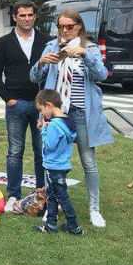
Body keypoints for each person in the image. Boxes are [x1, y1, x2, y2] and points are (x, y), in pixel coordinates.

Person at [30, 9, 111, 229]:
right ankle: (52, 208)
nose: (64, 31)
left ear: (79, 27)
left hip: (82, 112)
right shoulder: (51, 47)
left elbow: (102, 76)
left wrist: (84, 55)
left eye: (69, 27)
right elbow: (34, 77)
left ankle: (94, 209)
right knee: (51, 162)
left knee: (88, 162)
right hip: (57, 115)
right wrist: (41, 64)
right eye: (61, 27)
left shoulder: (90, 48)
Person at [0, 0, 51, 211]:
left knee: (41, 150)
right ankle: (13, 195)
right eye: (22, 15)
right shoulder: (5, 42)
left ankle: (42, 193)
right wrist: (7, 98)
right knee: (15, 151)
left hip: (41, 105)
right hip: (16, 105)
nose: (26, 19)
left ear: (35, 17)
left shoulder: (45, 41)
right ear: (14, 17)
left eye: (30, 15)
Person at [32, 90, 83, 235]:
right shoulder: (65, 121)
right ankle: (51, 225)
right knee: (52, 195)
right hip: (62, 164)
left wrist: (43, 129)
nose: (42, 114)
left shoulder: (54, 125)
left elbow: (49, 145)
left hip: (53, 166)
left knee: (60, 196)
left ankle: (73, 226)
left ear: (48, 105)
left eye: (41, 110)